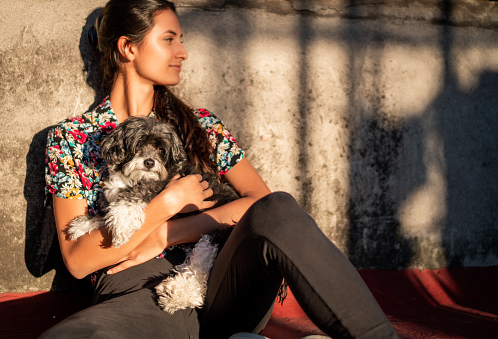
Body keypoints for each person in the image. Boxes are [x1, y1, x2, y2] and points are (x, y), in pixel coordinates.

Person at [40, 0, 398, 338]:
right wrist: (165, 204)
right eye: (169, 39)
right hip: (140, 294)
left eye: (181, 40)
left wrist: (169, 231)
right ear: (128, 48)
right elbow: (78, 261)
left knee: (280, 209)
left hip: (225, 283)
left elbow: (260, 204)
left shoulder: (201, 126)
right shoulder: (73, 138)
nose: (182, 52)